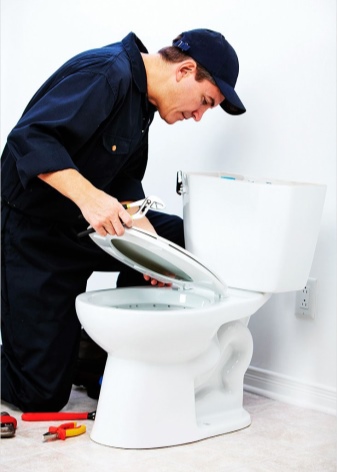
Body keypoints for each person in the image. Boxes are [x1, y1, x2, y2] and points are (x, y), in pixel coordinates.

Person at [1, 28, 246, 412]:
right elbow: (29, 141)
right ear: (184, 71)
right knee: (38, 396)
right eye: (204, 102)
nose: (198, 116)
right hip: (35, 236)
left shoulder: (143, 102)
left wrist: (149, 248)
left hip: (86, 229)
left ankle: (108, 356)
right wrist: (91, 198)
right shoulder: (107, 74)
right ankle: (50, 351)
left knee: (180, 238)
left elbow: (125, 181)